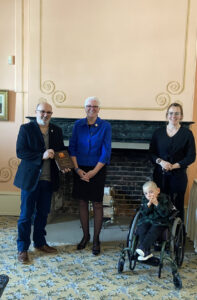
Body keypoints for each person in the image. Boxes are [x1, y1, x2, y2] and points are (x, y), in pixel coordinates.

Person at [14, 102, 69, 264]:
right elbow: (21, 151)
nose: (45, 115)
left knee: (43, 213)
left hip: (48, 179)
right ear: (36, 112)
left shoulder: (56, 130)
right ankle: (23, 248)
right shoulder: (26, 129)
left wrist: (64, 165)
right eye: (42, 112)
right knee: (25, 216)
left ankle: (40, 243)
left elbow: (60, 152)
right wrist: (42, 155)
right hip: (31, 180)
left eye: (49, 112)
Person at [69, 96, 112, 255]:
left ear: (99, 109)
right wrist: (77, 169)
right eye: (89, 106)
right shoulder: (77, 125)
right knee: (82, 202)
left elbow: (106, 151)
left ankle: (96, 239)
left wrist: (94, 172)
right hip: (79, 168)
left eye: (95, 106)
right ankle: (85, 236)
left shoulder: (105, 126)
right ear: (85, 107)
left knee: (97, 204)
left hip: (97, 168)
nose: (91, 109)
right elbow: (72, 148)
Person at [149, 102, 196, 222]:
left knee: (177, 206)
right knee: (159, 204)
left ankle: (177, 237)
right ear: (167, 115)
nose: (173, 116)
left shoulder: (187, 134)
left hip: (178, 177)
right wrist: (161, 162)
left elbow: (191, 157)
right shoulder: (158, 133)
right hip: (160, 175)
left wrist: (174, 166)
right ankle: (160, 233)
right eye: (170, 113)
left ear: (181, 116)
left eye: (176, 113)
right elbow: (151, 154)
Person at [136, 181, 171, 261]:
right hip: (148, 220)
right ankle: (146, 252)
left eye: (151, 192)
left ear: (158, 190)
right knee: (142, 228)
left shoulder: (164, 198)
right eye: (146, 193)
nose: (148, 195)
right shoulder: (145, 200)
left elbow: (165, 213)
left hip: (160, 221)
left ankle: (143, 248)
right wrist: (148, 205)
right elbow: (143, 213)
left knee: (154, 229)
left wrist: (156, 203)